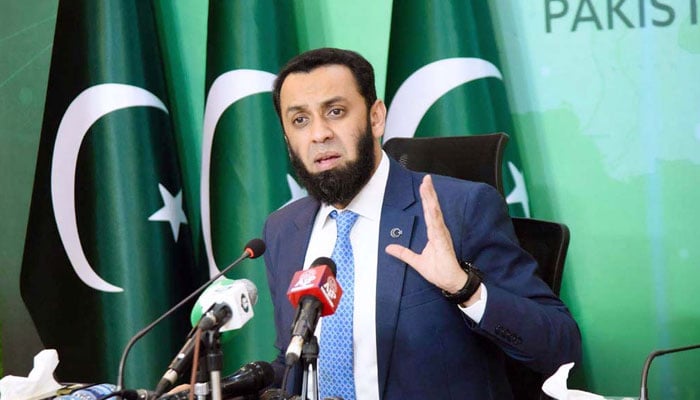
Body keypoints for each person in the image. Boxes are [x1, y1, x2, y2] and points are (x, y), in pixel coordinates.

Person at [262, 47, 581, 400]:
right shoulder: (282, 230)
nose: (319, 134)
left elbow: (561, 346)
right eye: (300, 120)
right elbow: (291, 359)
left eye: (335, 112)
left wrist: (465, 289)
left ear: (376, 117)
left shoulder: (459, 209)